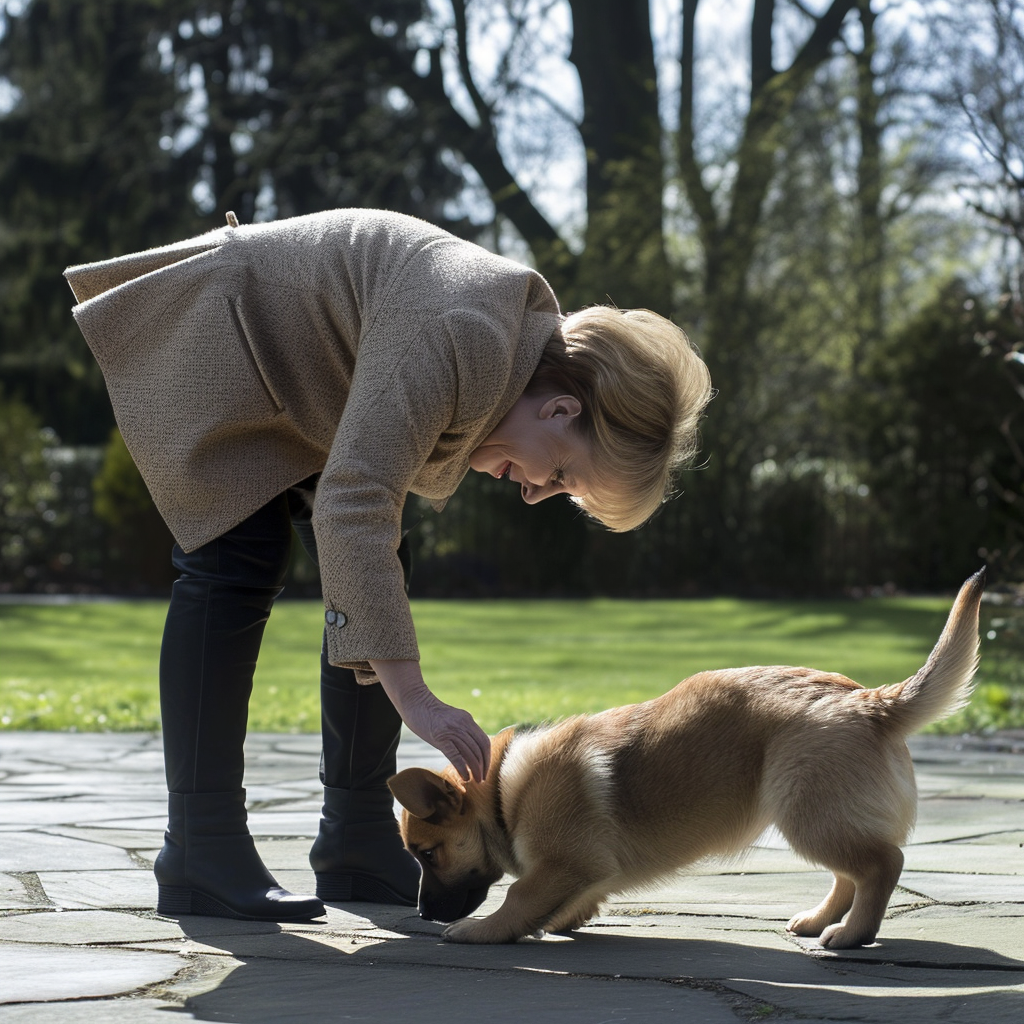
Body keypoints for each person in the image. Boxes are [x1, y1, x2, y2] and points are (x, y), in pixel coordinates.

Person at [64, 208, 713, 923]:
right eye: (560, 475)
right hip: (223, 335)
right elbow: (353, 499)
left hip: (294, 377)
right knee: (235, 565)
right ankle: (199, 847)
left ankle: (355, 837)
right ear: (561, 409)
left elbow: (362, 524)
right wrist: (415, 697)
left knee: (374, 561)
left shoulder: (499, 346)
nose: (534, 495)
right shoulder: (466, 333)